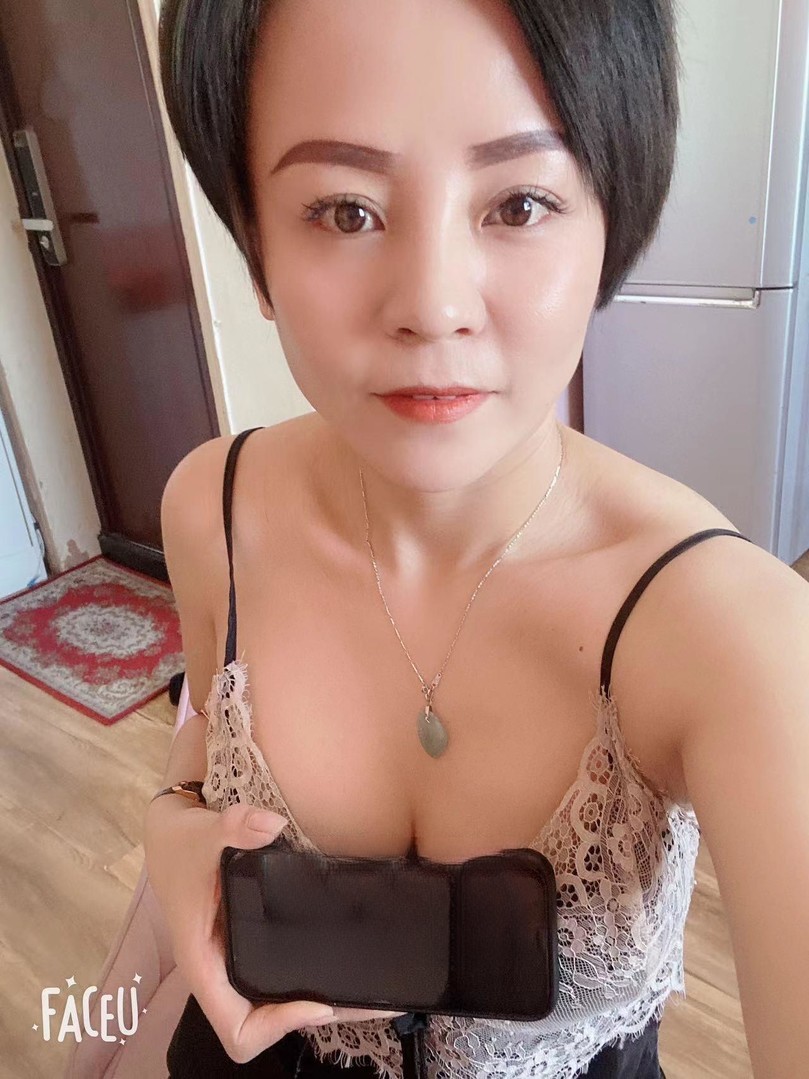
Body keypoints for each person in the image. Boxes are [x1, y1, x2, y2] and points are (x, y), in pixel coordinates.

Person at [145, 0, 809, 1076]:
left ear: (609, 226)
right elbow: (196, 750)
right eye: (345, 210)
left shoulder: (731, 631)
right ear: (254, 244)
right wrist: (170, 819)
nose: (433, 305)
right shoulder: (208, 507)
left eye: (519, 202)